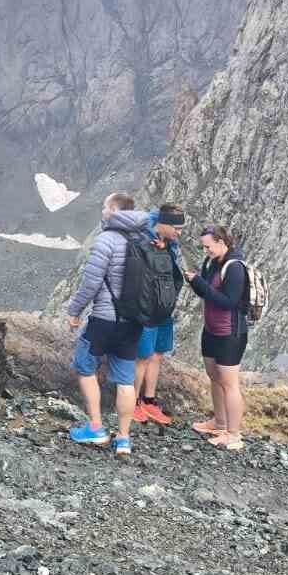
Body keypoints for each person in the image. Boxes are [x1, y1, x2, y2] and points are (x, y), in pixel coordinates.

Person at [64, 193, 149, 457]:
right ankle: (123, 438)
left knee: (84, 365)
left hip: (104, 318)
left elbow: (91, 283)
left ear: (113, 211)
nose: (102, 211)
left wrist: (74, 310)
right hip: (133, 322)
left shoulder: (106, 240)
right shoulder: (145, 240)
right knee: (125, 380)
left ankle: (96, 427)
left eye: (104, 207)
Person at [184, 225, 249, 450]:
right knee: (214, 376)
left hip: (231, 333)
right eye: (204, 247)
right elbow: (206, 294)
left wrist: (200, 283)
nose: (206, 251)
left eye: (208, 246)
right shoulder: (211, 263)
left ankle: (233, 434)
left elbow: (228, 302)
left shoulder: (235, 267)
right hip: (211, 329)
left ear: (221, 241)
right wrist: (195, 283)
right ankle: (219, 423)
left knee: (229, 383)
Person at [132, 203, 187, 426]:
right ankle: (132, 402)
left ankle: (149, 401)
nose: (180, 233)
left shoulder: (169, 244)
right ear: (163, 224)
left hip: (164, 308)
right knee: (142, 356)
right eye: (178, 228)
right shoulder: (142, 241)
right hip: (147, 309)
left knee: (157, 353)